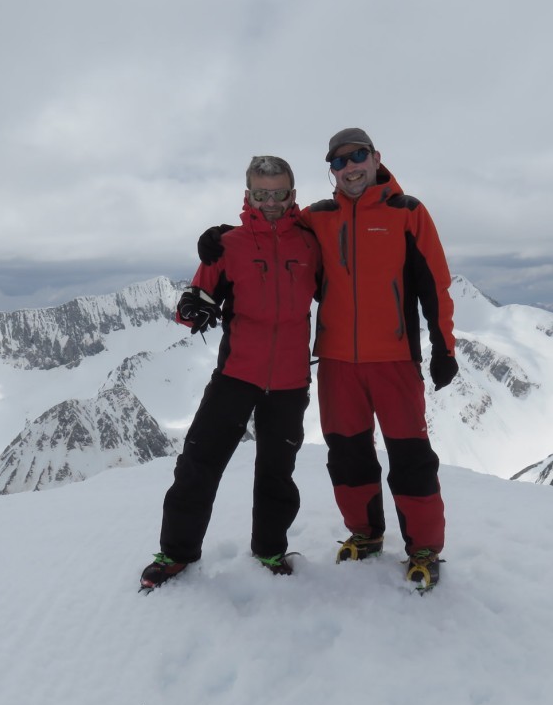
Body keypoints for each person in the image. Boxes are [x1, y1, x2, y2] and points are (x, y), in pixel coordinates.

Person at [199, 128, 458, 590]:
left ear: (376, 157)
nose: (350, 167)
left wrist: (443, 348)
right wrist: (219, 236)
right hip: (337, 363)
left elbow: (434, 286)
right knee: (348, 453)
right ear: (332, 171)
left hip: (394, 360)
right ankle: (364, 533)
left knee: (411, 456)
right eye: (339, 162)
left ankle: (423, 548)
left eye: (358, 156)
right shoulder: (318, 219)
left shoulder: (408, 213)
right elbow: (271, 232)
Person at [139, 155, 320, 591]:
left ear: (292, 195)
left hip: (291, 380)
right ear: (248, 195)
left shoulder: (312, 244)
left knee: (277, 472)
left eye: (279, 193)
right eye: (262, 193)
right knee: (198, 465)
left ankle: (270, 549)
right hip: (236, 374)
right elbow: (196, 301)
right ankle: (177, 553)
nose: (271, 202)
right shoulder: (228, 246)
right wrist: (191, 309)